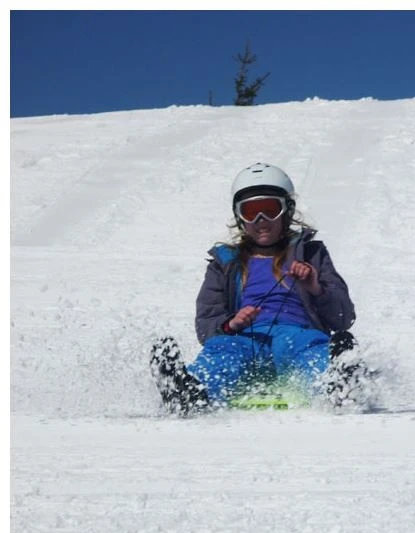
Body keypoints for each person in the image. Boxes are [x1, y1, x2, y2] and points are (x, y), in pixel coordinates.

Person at [150, 162, 361, 414]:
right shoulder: (224, 263)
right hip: (245, 338)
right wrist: (231, 324)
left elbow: (343, 318)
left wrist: (316, 288)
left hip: (297, 334)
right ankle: (192, 392)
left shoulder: (311, 254)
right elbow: (206, 323)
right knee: (223, 351)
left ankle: (335, 384)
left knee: (310, 349)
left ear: (287, 211)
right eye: (251, 212)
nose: (261, 220)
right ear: (240, 217)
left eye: (270, 210)